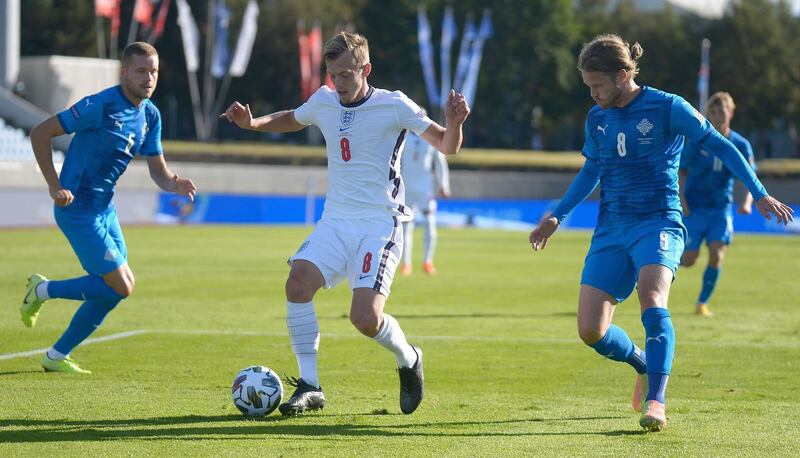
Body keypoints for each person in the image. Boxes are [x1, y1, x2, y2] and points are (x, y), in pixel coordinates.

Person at [528, 34, 793, 432]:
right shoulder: (596, 118)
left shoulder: (668, 107)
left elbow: (723, 147)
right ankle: (641, 362)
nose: (593, 93)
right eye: (588, 86)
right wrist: (557, 215)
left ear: (621, 75)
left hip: (659, 222)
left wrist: (758, 193)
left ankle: (657, 400)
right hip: (612, 228)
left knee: (652, 298)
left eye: (597, 85)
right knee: (590, 330)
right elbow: (591, 171)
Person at [220, 31, 469, 416]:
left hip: (379, 225)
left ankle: (409, 357)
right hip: (335, 221)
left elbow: (448, 146)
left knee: (365, 319)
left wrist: (454, 123)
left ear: (365, 69)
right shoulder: (324, 99)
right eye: (332, 74)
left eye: (346, 74)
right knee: (297, 283)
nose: (338, 83)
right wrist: (253, 124)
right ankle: (311, 385)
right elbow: (293, 118)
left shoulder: (395, 105)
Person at [20, 42, 197, 374]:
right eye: (141, 71)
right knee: (122, 284)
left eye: (154, 71)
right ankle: (42, 290)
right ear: (124, 72)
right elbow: (40, 133)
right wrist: (54, 184)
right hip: (77, 210)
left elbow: (157, 170)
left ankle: (56, 356)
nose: (149, 78)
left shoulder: (151, 115)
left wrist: (175, 182)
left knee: (115, 290)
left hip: (104, 209)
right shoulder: (100, 105)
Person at [679, 92, 755, 317]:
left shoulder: (741, 144)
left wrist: (747, 202)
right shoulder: (697, 141)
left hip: (721, 207)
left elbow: (749, 176)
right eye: (713, 111)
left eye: (721, 111)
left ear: (730, 113)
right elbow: (681, 171)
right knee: (689, 260)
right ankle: (658, 265)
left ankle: (702, 303)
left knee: (717, 254)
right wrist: (681, 199)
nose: (717, 116)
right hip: (694, 207)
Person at [400, 113, 451, 276]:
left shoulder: (431, 140)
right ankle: (406, 264)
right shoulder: (403, 138)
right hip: (406, 188)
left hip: (425, 189)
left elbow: (440, 164)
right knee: (405, 226)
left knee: (429, 222)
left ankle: (427, 261)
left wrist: (444, 185)